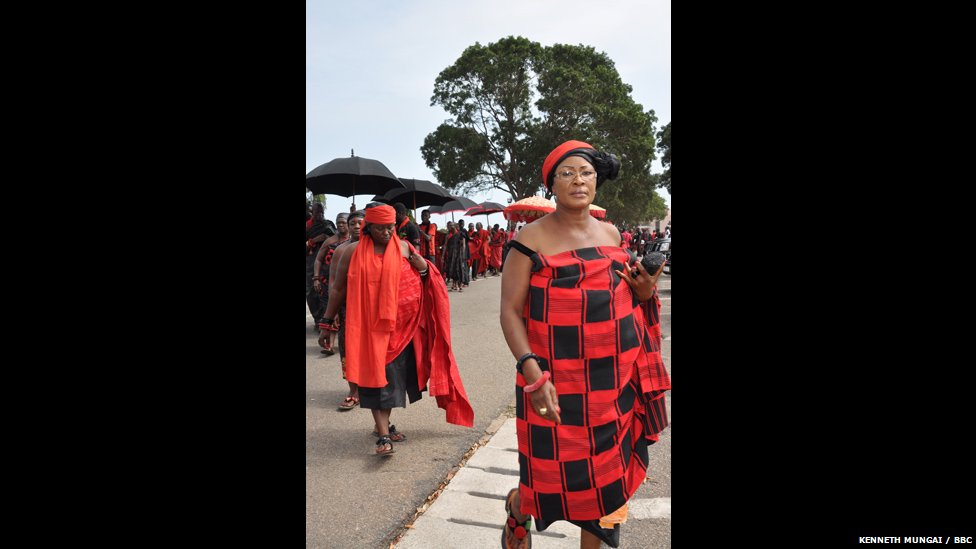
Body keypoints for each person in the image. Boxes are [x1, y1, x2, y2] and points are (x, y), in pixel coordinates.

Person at [499, 140, 671, 549]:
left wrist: (646, 292)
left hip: (613, 384)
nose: (579, 180)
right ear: (551, 184)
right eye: (568, 173)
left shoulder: (611, 233)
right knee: (550, 474)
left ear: (597, 182)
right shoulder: (530, 239)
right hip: (555, 383)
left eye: (587, 173)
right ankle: (517, 508)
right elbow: (509, 312)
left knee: (607, 482)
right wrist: (533, 374)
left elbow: (629, 295)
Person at [323, 204, 474, 456]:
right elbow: (337, 289)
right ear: (369, 227)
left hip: (404, 331)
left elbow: (429, 280)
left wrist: (423, 267)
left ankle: (382, 425)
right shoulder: (351, 252)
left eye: (390, 227)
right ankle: (383, 436)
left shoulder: (404, 248)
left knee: (392, 382)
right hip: (369, 331)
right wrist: (327, 323)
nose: (386, 232)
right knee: (376, 382)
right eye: (380, 228)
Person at [323, 209, 365, 409]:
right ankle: (353, 390)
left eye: (360, 222)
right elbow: (334, 284)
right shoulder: (341, 250)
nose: (356, 226)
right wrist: (332, 315)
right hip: (347, 308)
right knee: (348, 348)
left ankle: (372, 387)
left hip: (370, 309)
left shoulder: (377, 247)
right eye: (353, 223)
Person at [314, 213, 350, 354]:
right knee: (329, 310)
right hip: (327, 282)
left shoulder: (353, 243)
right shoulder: (330, 241)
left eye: (343, 222)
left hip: (346, 284)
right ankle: (330, 344)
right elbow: (318, 259)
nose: (340, 225)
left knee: (342, 313)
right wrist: (316, 278)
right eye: (338, 222)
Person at [306, 202, 336, 326]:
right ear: (312, 213)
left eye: (322, 212)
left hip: (327, 263)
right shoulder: (308, 227)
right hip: (310, 264)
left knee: (327, 291)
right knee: (311, 292)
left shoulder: (328, 224)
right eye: (317, 212)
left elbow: (337, 238)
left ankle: (326, 319)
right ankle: (318, 318)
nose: (320, 215)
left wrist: (327, 238)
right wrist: (314, 240)